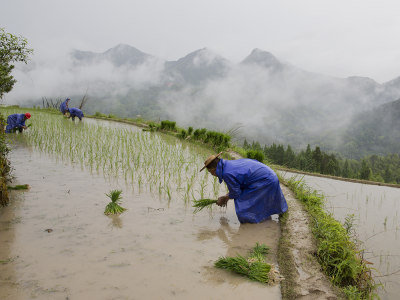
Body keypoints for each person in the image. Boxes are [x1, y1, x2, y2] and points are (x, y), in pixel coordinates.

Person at [200, 152, 288, 223]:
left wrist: (225, 198)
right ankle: (269, 217)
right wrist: (227, 196)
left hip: (266, 180)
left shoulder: (227, 173)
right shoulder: (228, 164)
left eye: (211, 173)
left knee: (244, 205)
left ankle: (255, 221)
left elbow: (236, 193)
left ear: (213, 170)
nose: (212, 175)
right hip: (269, 175)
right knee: (249, 196)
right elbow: (238, 186)